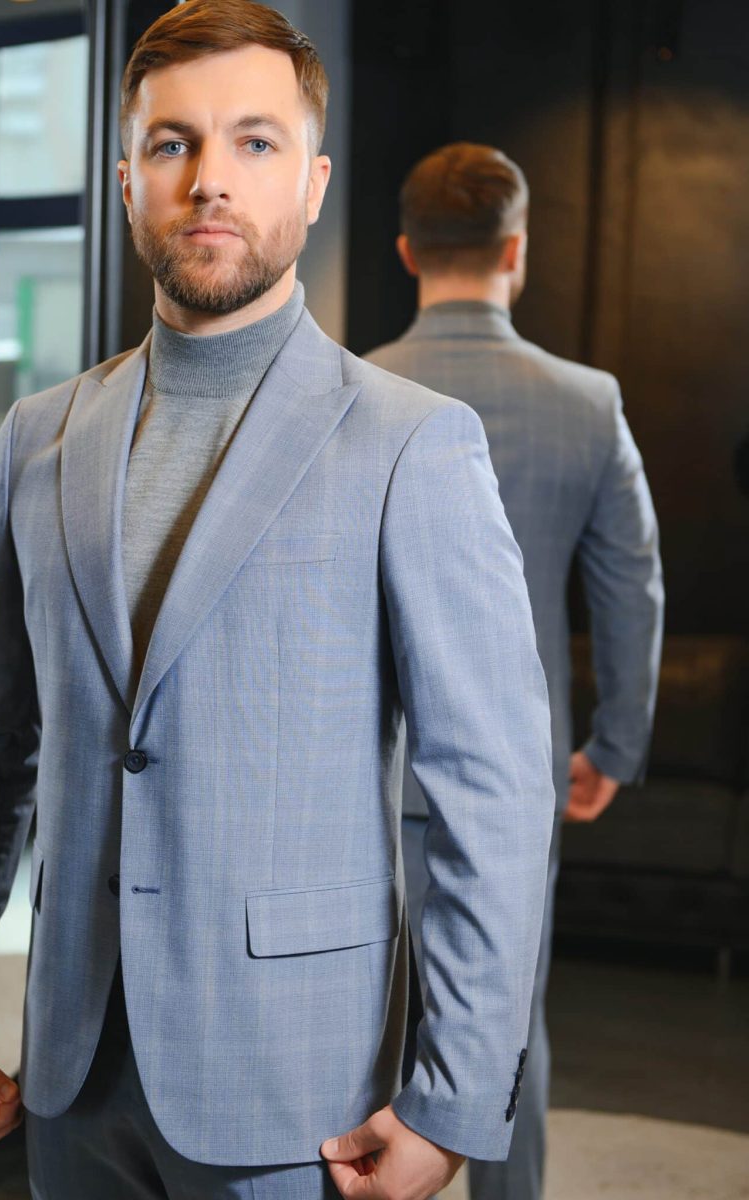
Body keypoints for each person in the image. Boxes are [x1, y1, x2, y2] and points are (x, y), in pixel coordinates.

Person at [0, 11, 555, 1200]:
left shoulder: (412, 445)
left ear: (310, 184)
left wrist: (452, 1092)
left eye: (253, 142)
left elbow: (492, 792)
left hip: (298, 1088)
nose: (209, 181)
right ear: (126, 182)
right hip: (71, 1068)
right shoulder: (36, 438)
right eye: (172, 145)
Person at [366, 142, 664, 1200]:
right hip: (517, 775)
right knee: (505, 1019)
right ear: (516, 251)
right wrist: (611, 748)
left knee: (349, 1019)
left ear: (406, 250)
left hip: (360, 774)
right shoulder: (588, 402)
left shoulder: (348, 395)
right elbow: (633, 592)